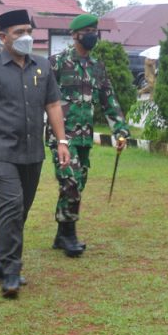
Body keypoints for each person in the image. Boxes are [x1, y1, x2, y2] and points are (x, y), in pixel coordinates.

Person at [0, 9, 71, 298]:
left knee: (20, 210)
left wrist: (62, 141)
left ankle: (2, 260)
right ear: (3, 37)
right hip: (0, 151)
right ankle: (12, 270)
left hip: (32, 152)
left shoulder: (42, 66)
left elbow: (53, 105)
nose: (26, 36)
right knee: (11, 206)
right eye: (19, 32)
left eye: (29, 30)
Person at [48, 14, 129, 257]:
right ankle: (70, 235)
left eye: (95, 30)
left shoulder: (97, 67)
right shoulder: (56, 63)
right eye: (88, 31)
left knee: (76, 184)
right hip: (62, 137)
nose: (93, 34)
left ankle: (62, 233)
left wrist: (121, 130)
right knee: (70, 182)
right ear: (75, 35)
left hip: (84, 138)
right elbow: (43, 100)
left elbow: (109, 100)